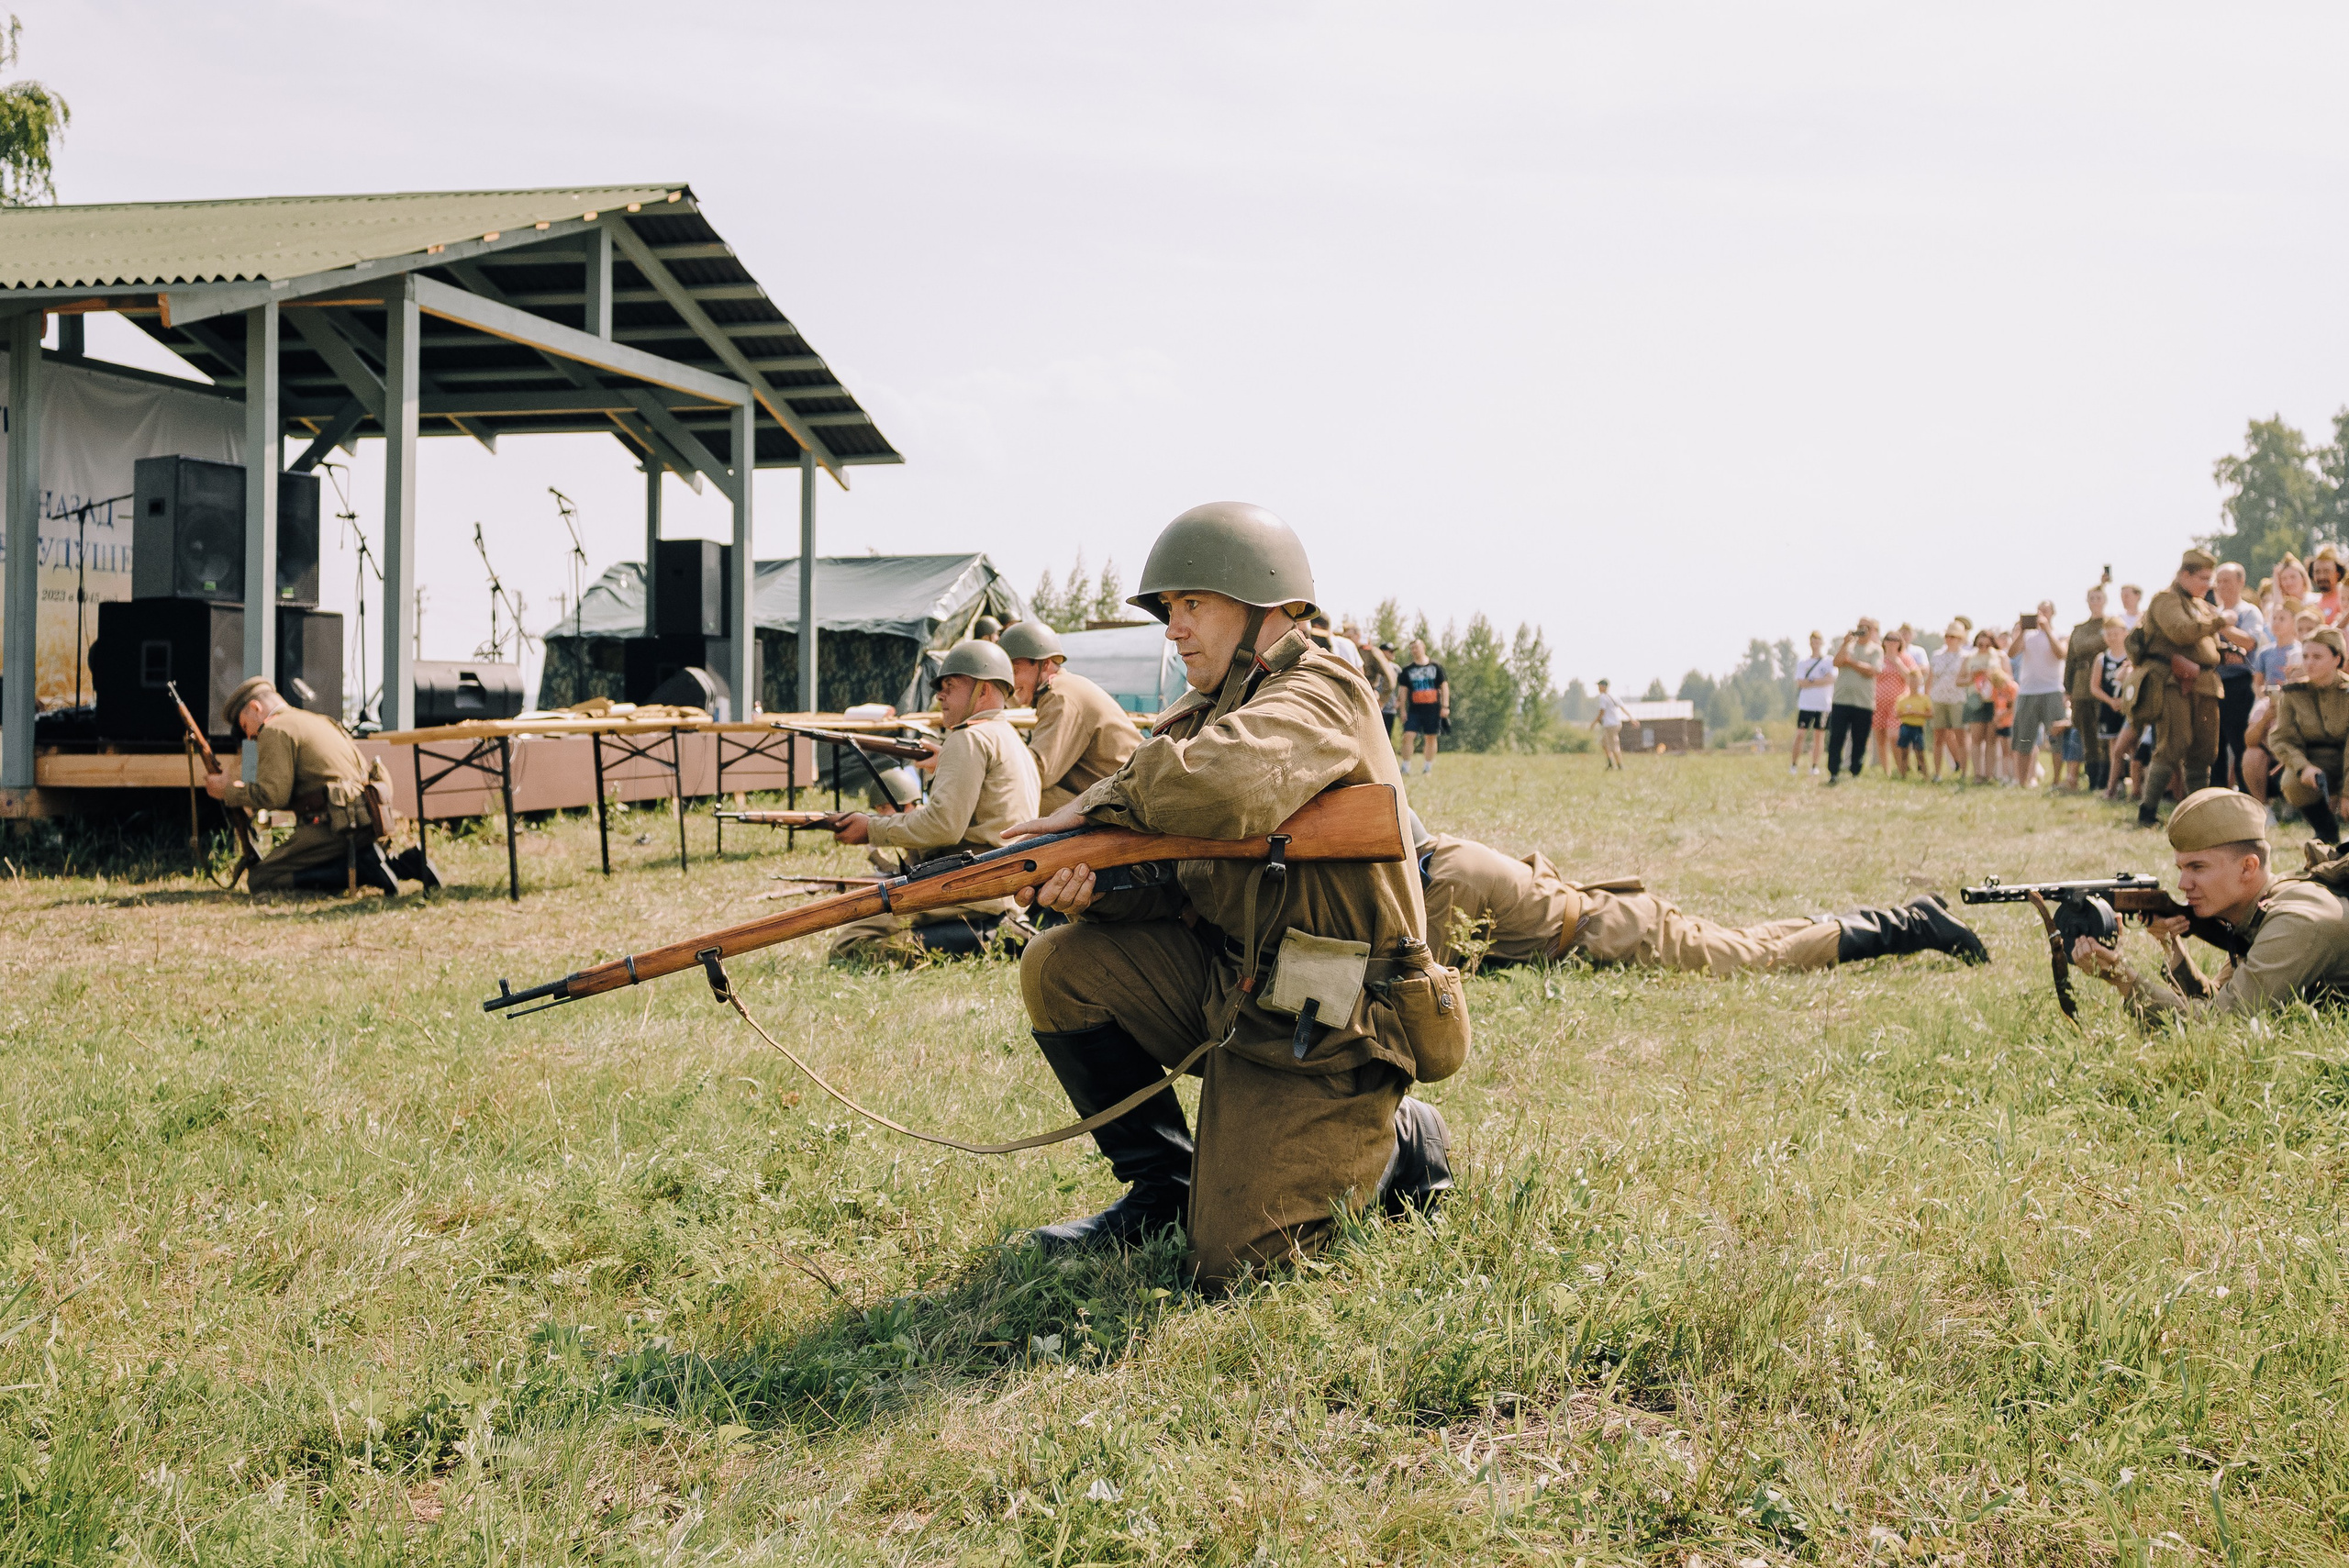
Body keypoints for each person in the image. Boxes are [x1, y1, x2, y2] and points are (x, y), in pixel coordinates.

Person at [1008, 502, 1459, 1284]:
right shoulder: (1203, 714)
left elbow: (1225, 788)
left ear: (1267, 605)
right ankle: (1163, 1186)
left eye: (1193, 603)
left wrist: (1104, 797)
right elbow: (1175, 879)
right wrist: (1097, 889)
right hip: (1238, 985)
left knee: (1236, 1262)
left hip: (1333, 1016)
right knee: (1060, 967)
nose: (1174, 629)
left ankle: (1400, 1143)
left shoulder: (1323, 688)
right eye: (1169, 608)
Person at [1417, 823, 1987, 975]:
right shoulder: (1447, 854)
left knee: (1757, 958)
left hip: (1621, 932)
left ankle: (1910, 925)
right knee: (1752, 941)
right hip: (1616, 917)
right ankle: (1897, 917)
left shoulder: (1447, 877)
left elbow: (1425, 980)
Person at [822, 639, 1040, 965]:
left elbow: (943, 825)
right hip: (998, 886)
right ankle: (992, 935)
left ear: (983, 690)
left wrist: (872, 829)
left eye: (951, 686)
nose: (940, 695)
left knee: (852, 945)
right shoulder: (1011, 738)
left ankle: (989, 939)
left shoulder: (969, 738)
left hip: (970, 887)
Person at [2072, 787, 2349, 1024]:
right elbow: (2217, 997)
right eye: (2181, 868)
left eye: (2198, 867)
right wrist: (2170, 942)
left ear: (2248, 867)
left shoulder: (2295, 922)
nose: (2183, 884)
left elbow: (2220, 1023)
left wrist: (2121, 976)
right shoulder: (2262, 907)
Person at [205, 677, 431, 895]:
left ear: (256, 708)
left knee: (261, 878)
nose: (250, 737)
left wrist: (228, 791)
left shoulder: (275, 730)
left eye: (245, 726)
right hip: (369, 820)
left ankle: (363, 869)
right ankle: (402, 863)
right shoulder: (320, 721)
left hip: (338, 825)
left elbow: (274, 796)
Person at [2132, 548, 2232, 828]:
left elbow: (2204, 642)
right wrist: (2220, 620)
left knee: (2204, 751)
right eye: (2203, 578)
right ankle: (2147, 811)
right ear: (2184, 575)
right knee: (2173, 744)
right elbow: (2181, 632)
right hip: (2175, 682)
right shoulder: (2166, 600)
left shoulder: (2198, 604)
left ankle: (2199, 814)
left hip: (2206, 682)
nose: (2208, 585)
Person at [1001, 619, 1141, 814]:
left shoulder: (1059, 696)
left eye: (1015, 671)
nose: (1010, 682)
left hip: (1127, 805)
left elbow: (1038, 773)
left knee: (1015, 795)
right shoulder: (1062, 688)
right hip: (1117, 796)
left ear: (1045, 664)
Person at [2268, 626, 2349, 844]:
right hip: (2316, 761)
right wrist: (2303, 767)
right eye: (2305, 656)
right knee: (2291, 782)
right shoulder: (2293, 693)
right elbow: (2281, 738)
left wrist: (2347, 793)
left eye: (2317, 657)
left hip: (2347, 760)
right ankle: (2326, 830)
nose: (2309, 663)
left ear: (2337, 658)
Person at [2211, 562, 2267, 789]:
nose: (2222, 585)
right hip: (2214, 683)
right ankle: (2216, 793)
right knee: (2214, 744)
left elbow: (2249, 643)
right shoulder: (2213, 613)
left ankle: (2247, 793)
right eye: (2219, 581)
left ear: (2241, 582)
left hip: (2239, 683)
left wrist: (2219, 626)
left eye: (2227, 580)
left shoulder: (2249, 612)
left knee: (2239, 741)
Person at [2009, 602, 2067, 790]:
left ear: (2053, 613)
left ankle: (2056, 780)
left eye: (2046, 610)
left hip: (2052, 690)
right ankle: (2022, 782)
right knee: (2023, 739)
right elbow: (2011, 653)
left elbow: (2061, 654)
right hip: (2028, 691)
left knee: (2056, 738)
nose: (2041, 614)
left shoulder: (2059, 634)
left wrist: (2047, 630)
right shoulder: (2027, 636)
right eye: (2039, 610)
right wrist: (2022, 631)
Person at [2064, 586, 2111, 791]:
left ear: (2105, 600)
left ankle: (2107, 780)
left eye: (2099, 597)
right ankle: (2093, 780)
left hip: (2103, 684)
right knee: (2087, 733)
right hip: (2081, 685)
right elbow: (2071, 660)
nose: (2095, 601)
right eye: (2092, 598)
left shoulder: (2110, 625)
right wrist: (2068, 689)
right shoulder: (2079, 629)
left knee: (2105, 734)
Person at [1825, 619, 1882, 784]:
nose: (1862, 630)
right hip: (1841, 700)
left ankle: (1855, 770)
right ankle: (1834, 771)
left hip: (1863, 702)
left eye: (1866, 628)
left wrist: (1851, 663)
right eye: (1860, 627)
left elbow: (1872, 670)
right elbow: (1836, 662)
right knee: (1837, 737)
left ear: (1872, 631)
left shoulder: (1876, 649)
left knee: (1860, 739)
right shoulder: (1847, 646)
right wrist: (1844, 644)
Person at [1959, 628, 2005, 786]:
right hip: (1975, 701)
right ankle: (1978, 774)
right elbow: (1959, 681)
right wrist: (1972, 677)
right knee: (1976, 739)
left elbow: (2008, 678)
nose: (1983, 648)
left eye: (1987, 645)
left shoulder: (1999, 657)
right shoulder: (1969, 658)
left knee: (1991, 739)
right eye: (1980, 644)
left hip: (1994, 701)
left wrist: (1993, 676)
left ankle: (1989, 774)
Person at [1927, 621, 1968, 782]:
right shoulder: (1937, 655)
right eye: (1947, 636)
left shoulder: (1965, 656)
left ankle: (1964, 772)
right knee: (1938, 737)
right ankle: (1937, 773)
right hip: (1938, 699)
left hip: (1957, 699)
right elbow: (1930, 679)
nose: (1949, 639)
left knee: (1960, 736)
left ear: (1960, 639)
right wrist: (1927, 699)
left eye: (1953, 636)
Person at [1791, 630, 1834, 776]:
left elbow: (1831, 679)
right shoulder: (1803, 662)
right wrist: (1819, 681)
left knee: (1819, 736)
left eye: (1818, 641)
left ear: (1822, 643)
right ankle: (1794, 765)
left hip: (1823, 705)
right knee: (1800, 734)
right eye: (1813, 641)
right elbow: (1800, 682)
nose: (1815, 644)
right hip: (1806, 704)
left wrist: (1811, 681)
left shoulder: (1829, 661)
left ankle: (1814, 766)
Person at [1870, 629, 1913, 773]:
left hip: (1897, 703)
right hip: (1878, 703)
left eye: (1895, 639)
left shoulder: (1905, 658)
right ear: (1884, 642)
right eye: (1889, 639)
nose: (1892, 642)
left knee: (1894, 736)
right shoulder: (1879, 658)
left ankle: (1901, 768)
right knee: (1880, 738)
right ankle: (1886, 770)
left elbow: (1911, 678)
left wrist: (1897, 662)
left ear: (1900, 643)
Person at [2266, 553, 2313, 629]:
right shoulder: (2272, 606)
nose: (2289, 582)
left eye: (2293, 577)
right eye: (2284, 579)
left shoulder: (2314, 601)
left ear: (2303, 578)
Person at [1592, 678, 1630, 770]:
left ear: (1604, 687)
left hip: (1610, 725)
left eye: (1600, 686)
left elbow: (1602, 712)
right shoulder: (1613, 696)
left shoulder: (1603, 697)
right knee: (1604, 743)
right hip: (1616, 723)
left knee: (1614, 746)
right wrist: (1631, 719)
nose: (1598, 688)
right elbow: (1622, 707)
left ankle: (1620, 766)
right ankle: (1610, 763)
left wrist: (1594, 723)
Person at [2313, 546, 2347, 624]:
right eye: (2317, 572)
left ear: (2338, 573)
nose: (2322, 577)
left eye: (2326, 571)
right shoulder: (2314, 604)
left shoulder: (2344, 600)